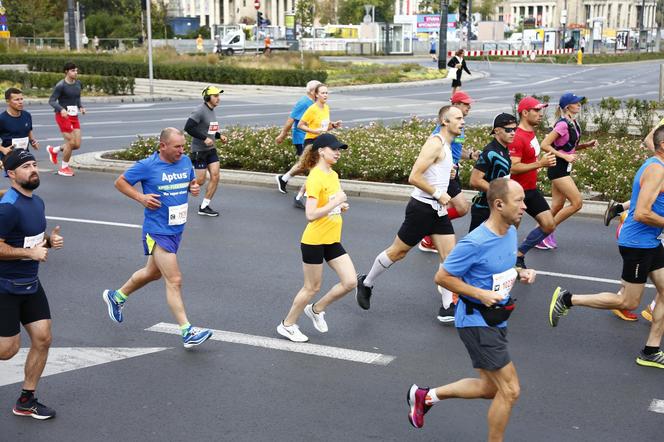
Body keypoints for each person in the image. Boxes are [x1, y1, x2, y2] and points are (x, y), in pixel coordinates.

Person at [407, 178, 535, 436]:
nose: (525, 206)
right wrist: (480, 294)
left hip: (496, 318)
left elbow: (498, 266)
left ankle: (426, 396)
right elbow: (442, 277)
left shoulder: (509, 230)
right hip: (476, 321)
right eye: (519, 200)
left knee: (489, 389)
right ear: (499, 204)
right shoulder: (474, 243)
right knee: (510, 391)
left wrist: (519, 271)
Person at [548, 125, 664, 370]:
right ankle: (568, 300)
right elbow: (642, 213)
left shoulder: (658, 166)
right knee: (628, 303)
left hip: (650, 241)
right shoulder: (656, 170)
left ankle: (651, 350)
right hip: (638, 244)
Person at [102, 128, 213, 349]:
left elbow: (191, 182)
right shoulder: (147, 165)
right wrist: (140, 197)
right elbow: (120, 182)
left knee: (152, 273)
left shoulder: (184, 162)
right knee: (174, 280)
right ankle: (187, 331)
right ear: (162, 146)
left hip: (176, 228)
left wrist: (193, 188)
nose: (182, 150)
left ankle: (117, 296)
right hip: (157, 229)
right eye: (177, 147)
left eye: (183, 146)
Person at [355, 105, 461, 323]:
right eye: (458, 118)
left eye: (462, 118)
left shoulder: (448, 146)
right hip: (421, 209)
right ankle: (366, 282)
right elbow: (414, 176)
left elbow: (434, 172)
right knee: (398, 252)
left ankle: (447, 307)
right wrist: (438, 193)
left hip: (438, 211)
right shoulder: (434, 143)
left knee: (450, 257)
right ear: (445, 121)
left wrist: (449, 174)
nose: (463, 121)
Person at [0, 149, 64, 420]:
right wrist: (31, 253)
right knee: (7, 350)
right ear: (12, 174)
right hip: (4, 286)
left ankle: (27, 400)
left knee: (43, 338)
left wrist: (49, 242)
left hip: (30, 283)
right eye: (26, 166)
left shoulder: (37, 202)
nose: (33, 169)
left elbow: (32, 239)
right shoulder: (8, 208)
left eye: (35, 164)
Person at [277, 134, 356, 342]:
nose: (338, 152)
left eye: (340, 149)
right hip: (314, 240)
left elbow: (329, 204)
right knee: (311, 287)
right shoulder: (315, 178)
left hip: (332, 239)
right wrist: (336, 201)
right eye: (334, 149)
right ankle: (287, 325)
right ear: (321, 151)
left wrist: (340, 205)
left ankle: (317, 309)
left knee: (350, 282)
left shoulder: (333, 175)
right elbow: (310, 215)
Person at [420, 90, 478, 253]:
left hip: (453, 171)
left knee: (446, 208)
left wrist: (471, 155)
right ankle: (428, 234)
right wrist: (444, 168)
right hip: (446, 173)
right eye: (466, 104)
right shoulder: (442, 129)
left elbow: (457, 149)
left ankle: (429, 237)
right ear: (455, 105)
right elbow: (432, 149)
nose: (469, 107)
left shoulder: (459, 126)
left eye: (469, 104)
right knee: (461, 208)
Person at [538, 93, 597, 249]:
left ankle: (541, 235)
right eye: (575, 102)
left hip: (564, 167)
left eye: (579, 102)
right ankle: (544, 232)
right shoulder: (562, 124)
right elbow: (545, 144)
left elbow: (567, 145)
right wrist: (563, 156)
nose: (579, 105)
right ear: (567, 106)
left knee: (557, 206)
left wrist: (585, 146)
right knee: (577, 203)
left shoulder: (573, 122)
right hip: (558, 168)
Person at [508, 96, 557, 269]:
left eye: (541, 109)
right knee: (509, 233)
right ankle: (503, 263)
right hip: (514, 193)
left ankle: (519, 255)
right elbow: (513, 167)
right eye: (536, 110)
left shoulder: (530, 133)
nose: (540, 113)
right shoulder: (517, 136)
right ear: (524, 113)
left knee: (549, 225)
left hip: (530, 190)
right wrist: (540, 164)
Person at [293, 84, 342, 209]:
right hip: (311, 141)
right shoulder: (312, 109)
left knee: (316, 170)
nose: (325, 95)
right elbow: (300, 125)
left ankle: (299, 196)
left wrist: (334, 125)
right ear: (316, 94)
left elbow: (325, 127)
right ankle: (303, 197)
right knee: (315, 170)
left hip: (321, 141)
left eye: (327, 93)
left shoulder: (326, 108)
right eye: (323, 93)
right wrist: (314, 131)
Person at [468, 113, 518, 232]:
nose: (513, 133)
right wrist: (500, 192)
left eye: (515, 129)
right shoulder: (490, 152)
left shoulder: (504, 149)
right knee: (475, 248)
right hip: (484, 209)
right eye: (508, 130)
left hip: (497, 208)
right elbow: (475, 180)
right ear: (497, 131)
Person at [183, 86, 227, 217]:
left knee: (215, 176)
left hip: (211, 150)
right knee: (200, 181)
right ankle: (178, 192)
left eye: (219, 96)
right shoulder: (199, 110)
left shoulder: (212, 110)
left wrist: (219, 136)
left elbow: (210, 130)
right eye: (215, 96)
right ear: (208, 97)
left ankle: (204, 206)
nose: (218, 98)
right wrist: (204, 139)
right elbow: (188, 128)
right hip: (199, 151)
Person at [274, 80, 321, 194]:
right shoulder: (304, 102)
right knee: (312, 164)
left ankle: (284, 179)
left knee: (306, 164)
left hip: (312, 136)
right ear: (312, 91)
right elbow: (291, 119)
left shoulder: (315, 103)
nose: (321, 92)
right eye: (318, 90)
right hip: (302, 138)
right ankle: (308, 192)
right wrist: (283, 134)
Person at [46, 62, 85, 177]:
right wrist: (61, 109)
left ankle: (54, 150)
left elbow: (77, 97)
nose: (75, 73)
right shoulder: (61, 85)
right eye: (73, 70)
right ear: (66, 72)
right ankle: (64, 168)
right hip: (62, 116)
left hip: (74, 116)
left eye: (76, 70)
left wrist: (81, 107)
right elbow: (51, 101)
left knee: (77, 145)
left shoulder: (78, 83)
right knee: (71, 142)